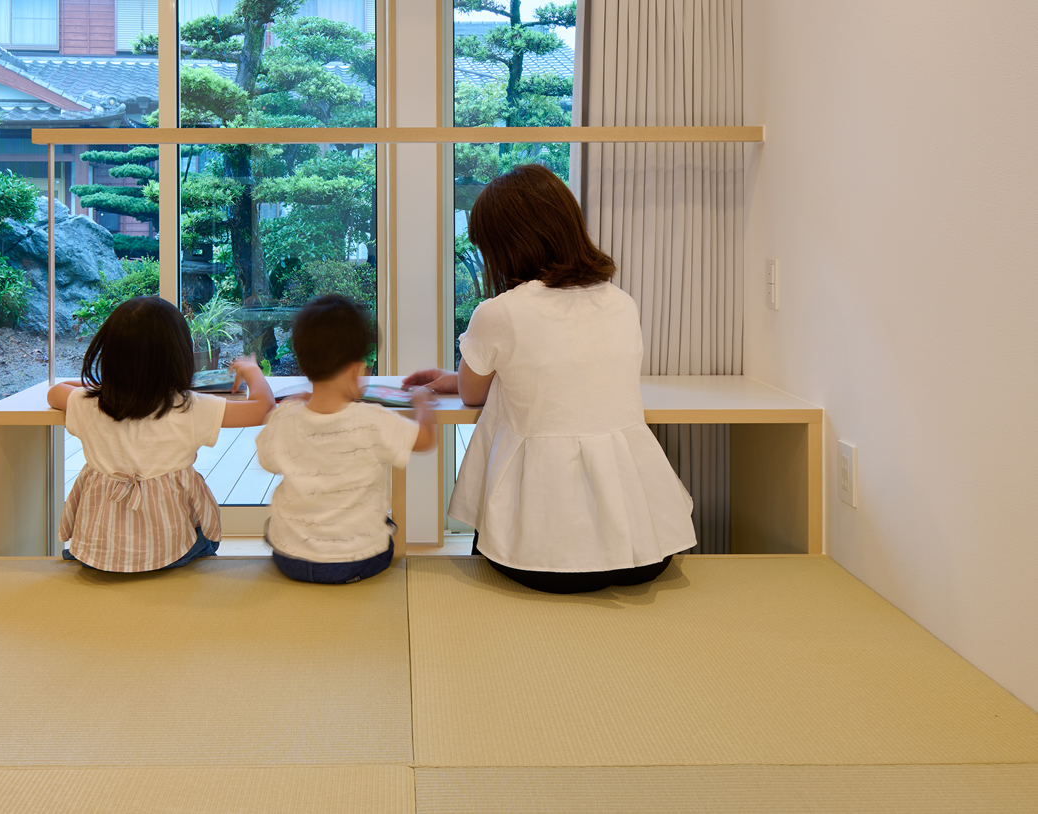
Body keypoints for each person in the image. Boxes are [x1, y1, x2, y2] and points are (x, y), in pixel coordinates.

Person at [405, 163, 697, 593]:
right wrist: (454, 376)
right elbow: (564, 374)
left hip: (538, 556)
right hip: (643, 548)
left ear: (506, 246)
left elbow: (472, 394)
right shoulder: (621, 303)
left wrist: (458, 379)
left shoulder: (501, 311)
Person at [47, 295, 274, 573]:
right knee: (205, 535)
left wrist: (111, 385)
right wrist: (251, 370)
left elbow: (56, 392)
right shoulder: (188, 407)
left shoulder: (89, 404)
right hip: (170, 551)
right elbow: (263, 408)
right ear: (178, 355)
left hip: (97, 551)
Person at [256, 294, 436, 583]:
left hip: (290, 558)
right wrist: (422, 402)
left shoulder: (285, 416)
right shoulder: (372, 419)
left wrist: (292, 404)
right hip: (357, 560)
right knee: (385, 528)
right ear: (356, 370)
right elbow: (425, 439)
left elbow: (267, 462)